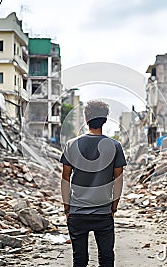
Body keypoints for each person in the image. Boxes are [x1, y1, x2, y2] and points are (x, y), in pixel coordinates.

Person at [60, 100, 127, 267]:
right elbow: (118, 181)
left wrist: (67, 208)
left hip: (77, 212)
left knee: (79, 260)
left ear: (86, 118)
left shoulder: (71, 145)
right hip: (103, 213)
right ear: (105, 119)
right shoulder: (115, 146)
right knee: (106, 259)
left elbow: (65, 179)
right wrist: (113, 208)